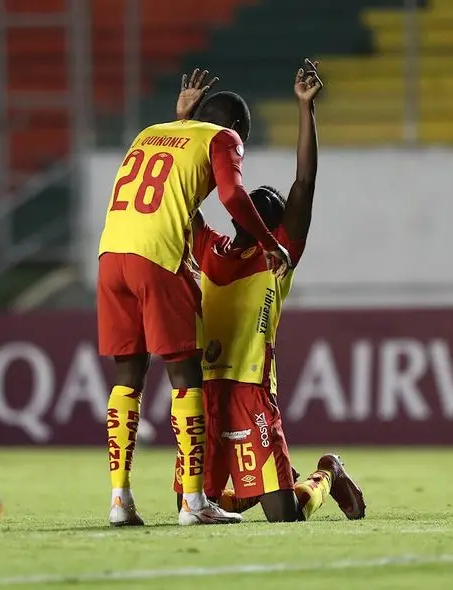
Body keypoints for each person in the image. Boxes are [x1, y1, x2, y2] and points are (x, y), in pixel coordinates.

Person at [98, 68, 293, 527]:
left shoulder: (150, 132)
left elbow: (169, 179)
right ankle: (193, 502)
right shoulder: (224, 138)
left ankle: (120, 499)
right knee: (186, 378)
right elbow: (232, 194)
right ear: (238, 128)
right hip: (158, 258)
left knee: (127, 378)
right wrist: (269, 242)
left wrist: (183, 119)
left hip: (110, 254)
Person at [181, 60, 366, 523]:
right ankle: (267, 484)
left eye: (271, 206)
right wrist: (184, 124)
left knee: (284, 516)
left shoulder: (276, 259)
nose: (261, 201)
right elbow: (180, 195)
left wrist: (305, 109)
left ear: (276, 225)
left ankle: (327, 473)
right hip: (205, 390)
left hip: (251, 391)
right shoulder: (210, 249)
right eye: (254, 201)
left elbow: (305, 183)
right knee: (195, 506)